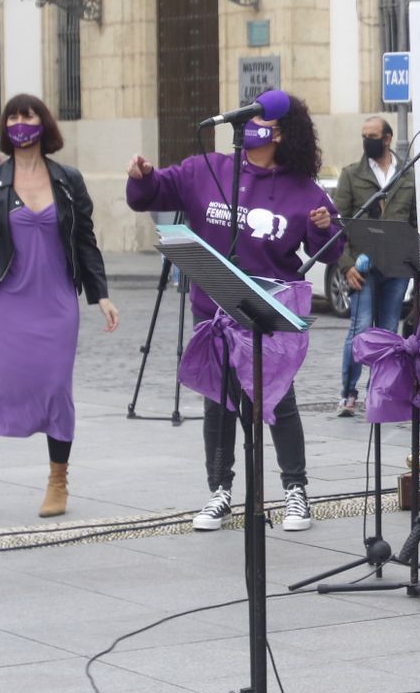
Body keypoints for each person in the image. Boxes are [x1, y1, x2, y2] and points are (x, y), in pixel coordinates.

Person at [125, 95, 341, 533]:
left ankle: (295, 491)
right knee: (218, 403)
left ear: (280, 132)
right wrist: (142, 178)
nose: (254, 124)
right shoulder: (208, 169)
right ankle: (219, 491)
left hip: (266, 311)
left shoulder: (304, 188)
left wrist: (323, 227)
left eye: (262, 118)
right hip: (214, 311)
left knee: (277, 401)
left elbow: (331, 248)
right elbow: (152, 193)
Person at [0, 94, 118, 519]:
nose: (20, 122)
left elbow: (85, 239)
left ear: (43, 123)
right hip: (4, 303)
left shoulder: (68, 179)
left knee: (55, 390)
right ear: (6, 127)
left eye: (28, 115)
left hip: (56, 303)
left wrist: (100, 294)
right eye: (13, 116)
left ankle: (58, 480)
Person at [335, 116, 416, 417]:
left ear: (387, 138)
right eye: (363, 135)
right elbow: (337, 226)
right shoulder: (351, 175)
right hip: (362, 266)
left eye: (372, 135)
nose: (366, 140)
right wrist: (346, 267)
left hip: (396, 268)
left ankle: (379, 391)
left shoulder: (407, 175)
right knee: (359, 329)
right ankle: (348, 393)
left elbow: (412, 223)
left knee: (388, 331)